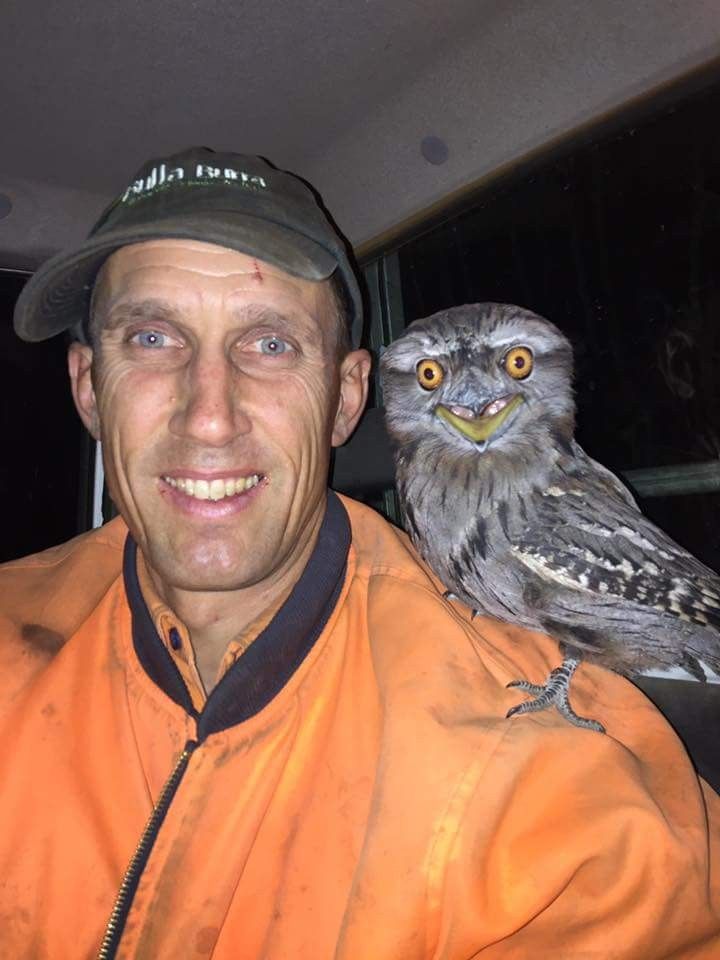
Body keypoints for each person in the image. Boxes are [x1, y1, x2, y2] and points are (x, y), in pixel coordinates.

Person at [1, 146, 718, 959]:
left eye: (269, 345)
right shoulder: (13, 631)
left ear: (347, 397)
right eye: (156, 337)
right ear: (88, 386)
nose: (209, 416)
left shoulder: (528, 752)